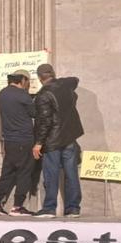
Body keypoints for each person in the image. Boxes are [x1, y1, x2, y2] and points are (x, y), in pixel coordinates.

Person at [32, 63, 85, 218]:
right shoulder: (66, 86)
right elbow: (75, 79)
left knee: (51, 174)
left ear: (40, 78)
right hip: (69, 138)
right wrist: (58, 80)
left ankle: (49, 208)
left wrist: (38, 143)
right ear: (53, 74)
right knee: (71, 174)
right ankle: (73, 208)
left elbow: (45, 122)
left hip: (52, 141)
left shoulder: (43, 95)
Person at [0, 71, 36, 216]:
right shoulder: (23, 95)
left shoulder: (2, 94)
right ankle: (17, 207)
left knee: (7, 173)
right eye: (28, 82)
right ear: (23, 80)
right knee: (24, 173)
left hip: (9, 141)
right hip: (24, 139)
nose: (29, 85)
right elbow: (34, 113)